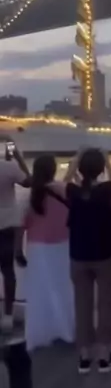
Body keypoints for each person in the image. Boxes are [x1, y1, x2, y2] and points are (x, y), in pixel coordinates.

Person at [66, 148, 111, 375]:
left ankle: (83, 357)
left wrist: (74, 164)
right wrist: (109, 163)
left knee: (81, 306)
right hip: (105, 255)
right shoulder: (106, 190)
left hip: (78, 255)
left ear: (80, 169)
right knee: (106, 305)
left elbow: (65, 182)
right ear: (100, 169)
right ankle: (104, 357)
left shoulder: (72, 191)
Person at [18, 155, 74, 351]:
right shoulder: (64, 189)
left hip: (37, 248)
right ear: (53, 170)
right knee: (64, 288)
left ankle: (42, 332)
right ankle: (66, 330)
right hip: (63, 245)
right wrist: (75, 165)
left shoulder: (30, 196)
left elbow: (21, 226)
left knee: (40, 291)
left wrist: (18, 250)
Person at [0, 139, 30, 332]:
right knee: (7, 270)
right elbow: (29, 182)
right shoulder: (9, 167)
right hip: (6, 224)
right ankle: (8, 316)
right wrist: (18, 158)